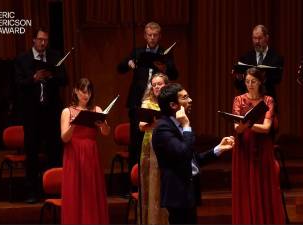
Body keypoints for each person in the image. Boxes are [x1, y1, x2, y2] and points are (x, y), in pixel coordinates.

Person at [151, 83, 234, 224]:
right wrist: (186, 126)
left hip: (189, 191)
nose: (190, 100)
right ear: (173, 105)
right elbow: (183, 153)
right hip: (177, 193)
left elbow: (194, 159)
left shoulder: (179, 126)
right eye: (185, 97)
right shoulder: (163, 128)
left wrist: (218, 149)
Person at [14, 27, 67, 203]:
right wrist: (34, 78)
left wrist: (51, 75)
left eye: (45, 40)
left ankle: (53, 189)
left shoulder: (54, 56)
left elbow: (64, 79)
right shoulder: (23, 59)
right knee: (32, 153)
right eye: (40, 39)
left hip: (51, 113)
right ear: (33, 41)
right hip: (32, 114)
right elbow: (17, 83)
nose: (43, 43)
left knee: (54, 151)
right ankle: (32, 192)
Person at [117, 21, 179, 173]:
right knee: (135, 143)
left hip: (158, 104)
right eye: (149, 35)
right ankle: (134, 184)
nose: (152, 38)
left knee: (159, 139)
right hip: (138, 103)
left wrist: (165, 68)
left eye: (155, 35)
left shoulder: (165, 54)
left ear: (159, 36)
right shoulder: (138, 52)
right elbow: (120, 67)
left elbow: (175, 74)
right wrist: (129, 63)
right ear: (145, 36)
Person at [232, 68, 284, 224]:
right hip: (244, 147)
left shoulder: (268, 100)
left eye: (253, 81)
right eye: (247, 81)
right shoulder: (239, 100)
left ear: (260, 82)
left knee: (264, 186)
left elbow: (266, 128)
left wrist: (247, 124)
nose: (249, 84)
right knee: (245, 186)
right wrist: (247, 125)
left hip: (263, 147)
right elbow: (237, 128)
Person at [60, 78, 110, 224]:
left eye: (88, 91)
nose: (86, 95)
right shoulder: (67, 111)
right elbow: (64, 138)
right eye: (83, 91)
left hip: (90, 154)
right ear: (75, 91)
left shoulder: (97, 109)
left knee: (91, 191)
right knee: (75, 191)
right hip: (74, 153)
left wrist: (103, 124)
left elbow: (106, 132)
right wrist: (74, 124)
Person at [138, 73, 170, 224]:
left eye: (160, 84)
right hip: (150, 146)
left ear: (166, 85)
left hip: (168, 145)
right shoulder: (147, 103)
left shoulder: (171, 102)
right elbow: (141, 127)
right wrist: (158, 123)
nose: (156, 87)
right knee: (153, 186)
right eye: (154, 84)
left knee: (166, 184)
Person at [233, 24, 284, 103]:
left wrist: (261, 76)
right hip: (248, 102)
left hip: (267, 102)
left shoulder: (276, 57)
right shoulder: (246, 57)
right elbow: (238, 85)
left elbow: (277, 79)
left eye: (260, 38)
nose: (257, 41)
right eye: (255, 38)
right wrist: (239, 78)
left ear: (266, 38)